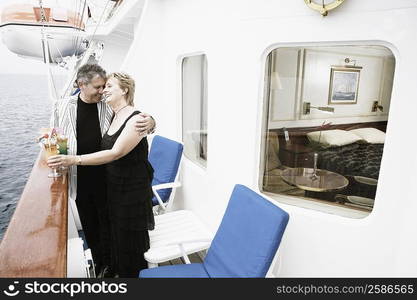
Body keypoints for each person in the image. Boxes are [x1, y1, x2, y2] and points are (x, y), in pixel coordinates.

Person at [50, 64, 155, 277]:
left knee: (110, 225)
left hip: (108, 178)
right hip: (80, 179)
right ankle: (101, 266)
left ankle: (114, 266)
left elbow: (134, 115)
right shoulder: (63, 107)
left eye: (105, 86)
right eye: (98, 87)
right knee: (90, 225)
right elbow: (58, 136)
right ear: (81, 85)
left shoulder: (106, 104)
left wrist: (152, 122)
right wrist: (57, 155)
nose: (102, 91)